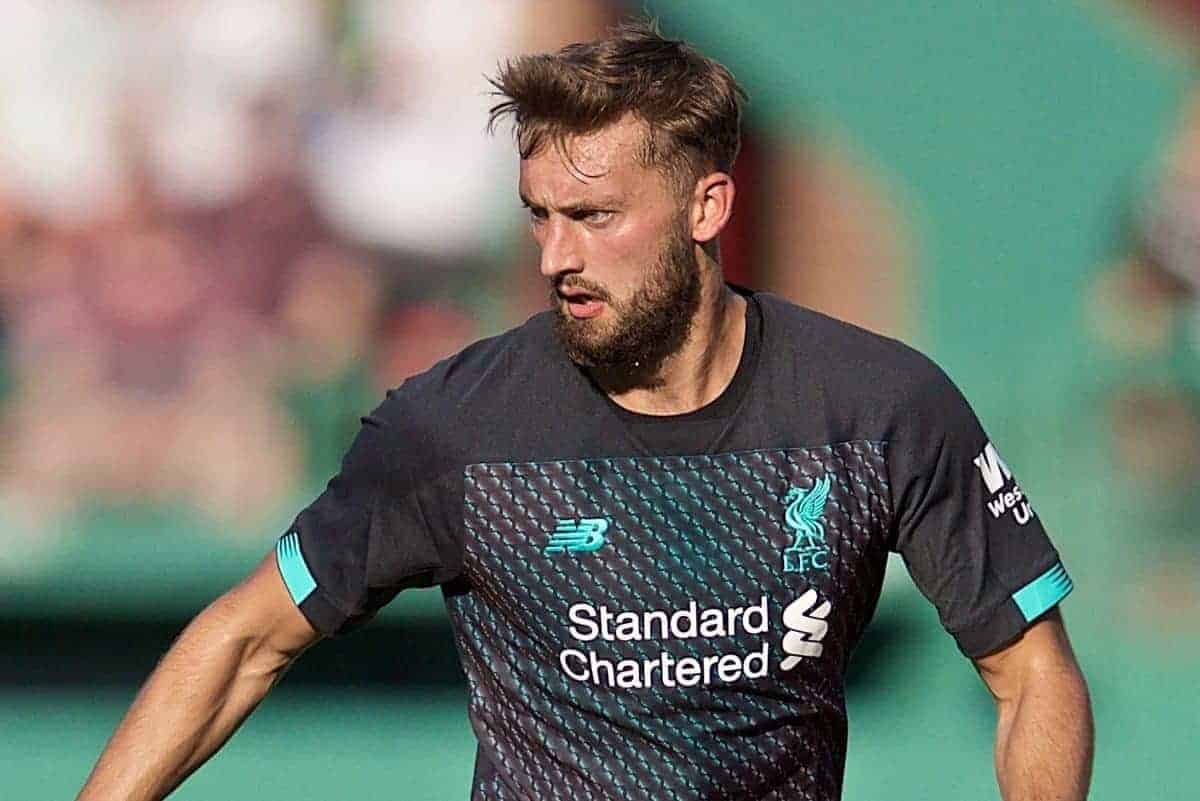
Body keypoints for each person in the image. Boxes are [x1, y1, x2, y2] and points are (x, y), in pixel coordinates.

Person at [76, 20, 1094, 801]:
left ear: (708, 209)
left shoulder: (879, 409)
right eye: (540, 217)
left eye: (595, 218)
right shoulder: (454, 431)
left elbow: (1031, 676)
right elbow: (245, 640)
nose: (557, 256)